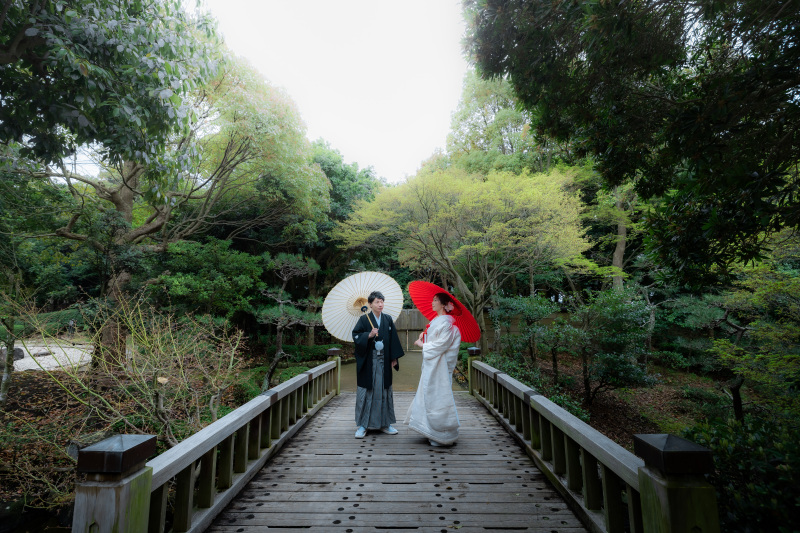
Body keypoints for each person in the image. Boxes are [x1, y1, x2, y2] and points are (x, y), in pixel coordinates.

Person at [405, 292, 462, 446]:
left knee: (439, 397)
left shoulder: (447, 324)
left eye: (436, 300)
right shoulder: (438, 321)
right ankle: (430, 430)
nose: (432, 302)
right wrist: (425, 336)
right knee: (428, 394)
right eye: (433, 300)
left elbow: (440, 345)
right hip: (433, 365)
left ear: (444, 304)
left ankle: (442, 435)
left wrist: (423, 344)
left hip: (440, 367)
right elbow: (436, 341)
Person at [352, 291, 405, 439]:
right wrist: (368, 335)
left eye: (382, 301)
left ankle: (385, 423)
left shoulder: (387, 319)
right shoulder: (364, 320)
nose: (380, 304)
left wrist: (394, 357)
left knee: (384, 391)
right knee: (367, 392)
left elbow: (393, 339)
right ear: (370, 304)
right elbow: (356, 335)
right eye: (377, 302)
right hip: (369, 361)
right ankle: (363, 425)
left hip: (384, 360)